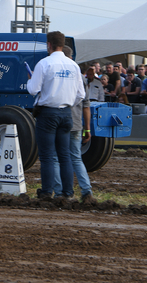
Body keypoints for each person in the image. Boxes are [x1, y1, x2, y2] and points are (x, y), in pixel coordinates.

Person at [27, 31, 85, 200]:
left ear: (49, 45)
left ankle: (47, 192)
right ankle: (68, 193)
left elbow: (33, 89)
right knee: (65, 154)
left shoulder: (44, 64)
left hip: (48, 113)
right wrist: (67, 104)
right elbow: (80, 94)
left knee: (47, 156)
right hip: (66, 113)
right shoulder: (74, 66)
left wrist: (30, 79)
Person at [55, 46, 95, 203]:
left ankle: (60, 192)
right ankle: (86, 191)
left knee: (58, 158)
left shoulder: (58, 74)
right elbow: (86, 106)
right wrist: (87, 128)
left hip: (61, 121)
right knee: (76, 158)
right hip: (77, 123)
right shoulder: (81, 77)